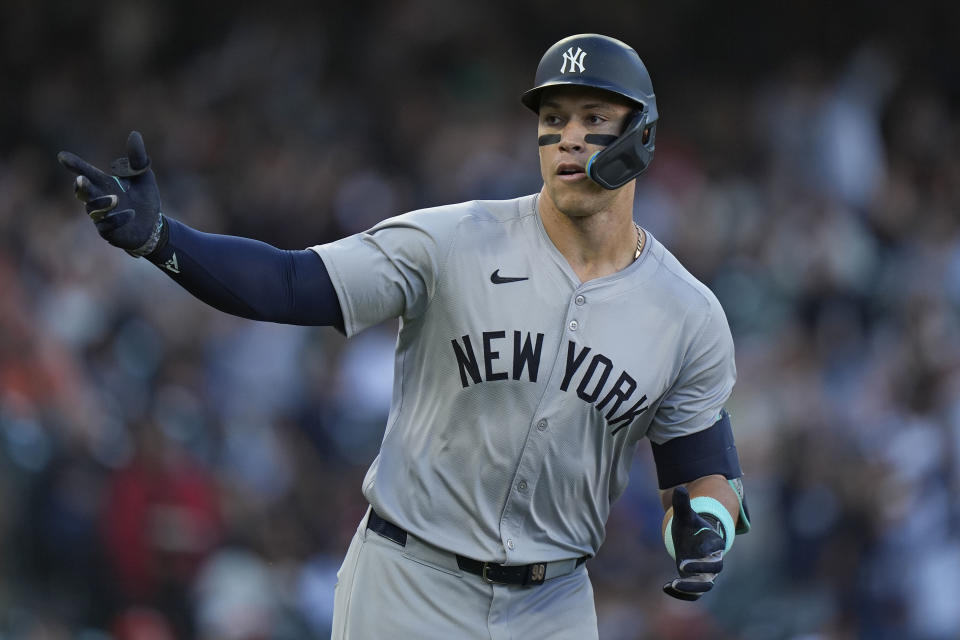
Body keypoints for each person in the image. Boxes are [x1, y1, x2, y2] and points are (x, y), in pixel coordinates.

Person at [59, 33, 750, 640]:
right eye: (553, 117)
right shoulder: (453, 240)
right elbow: (293, 283)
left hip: (554, 603)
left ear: (644, 137)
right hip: (409, 579)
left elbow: (699, 468)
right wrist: (163, 239)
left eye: (594, 118)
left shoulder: (684, 311)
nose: (568, 136)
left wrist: (703, 526)